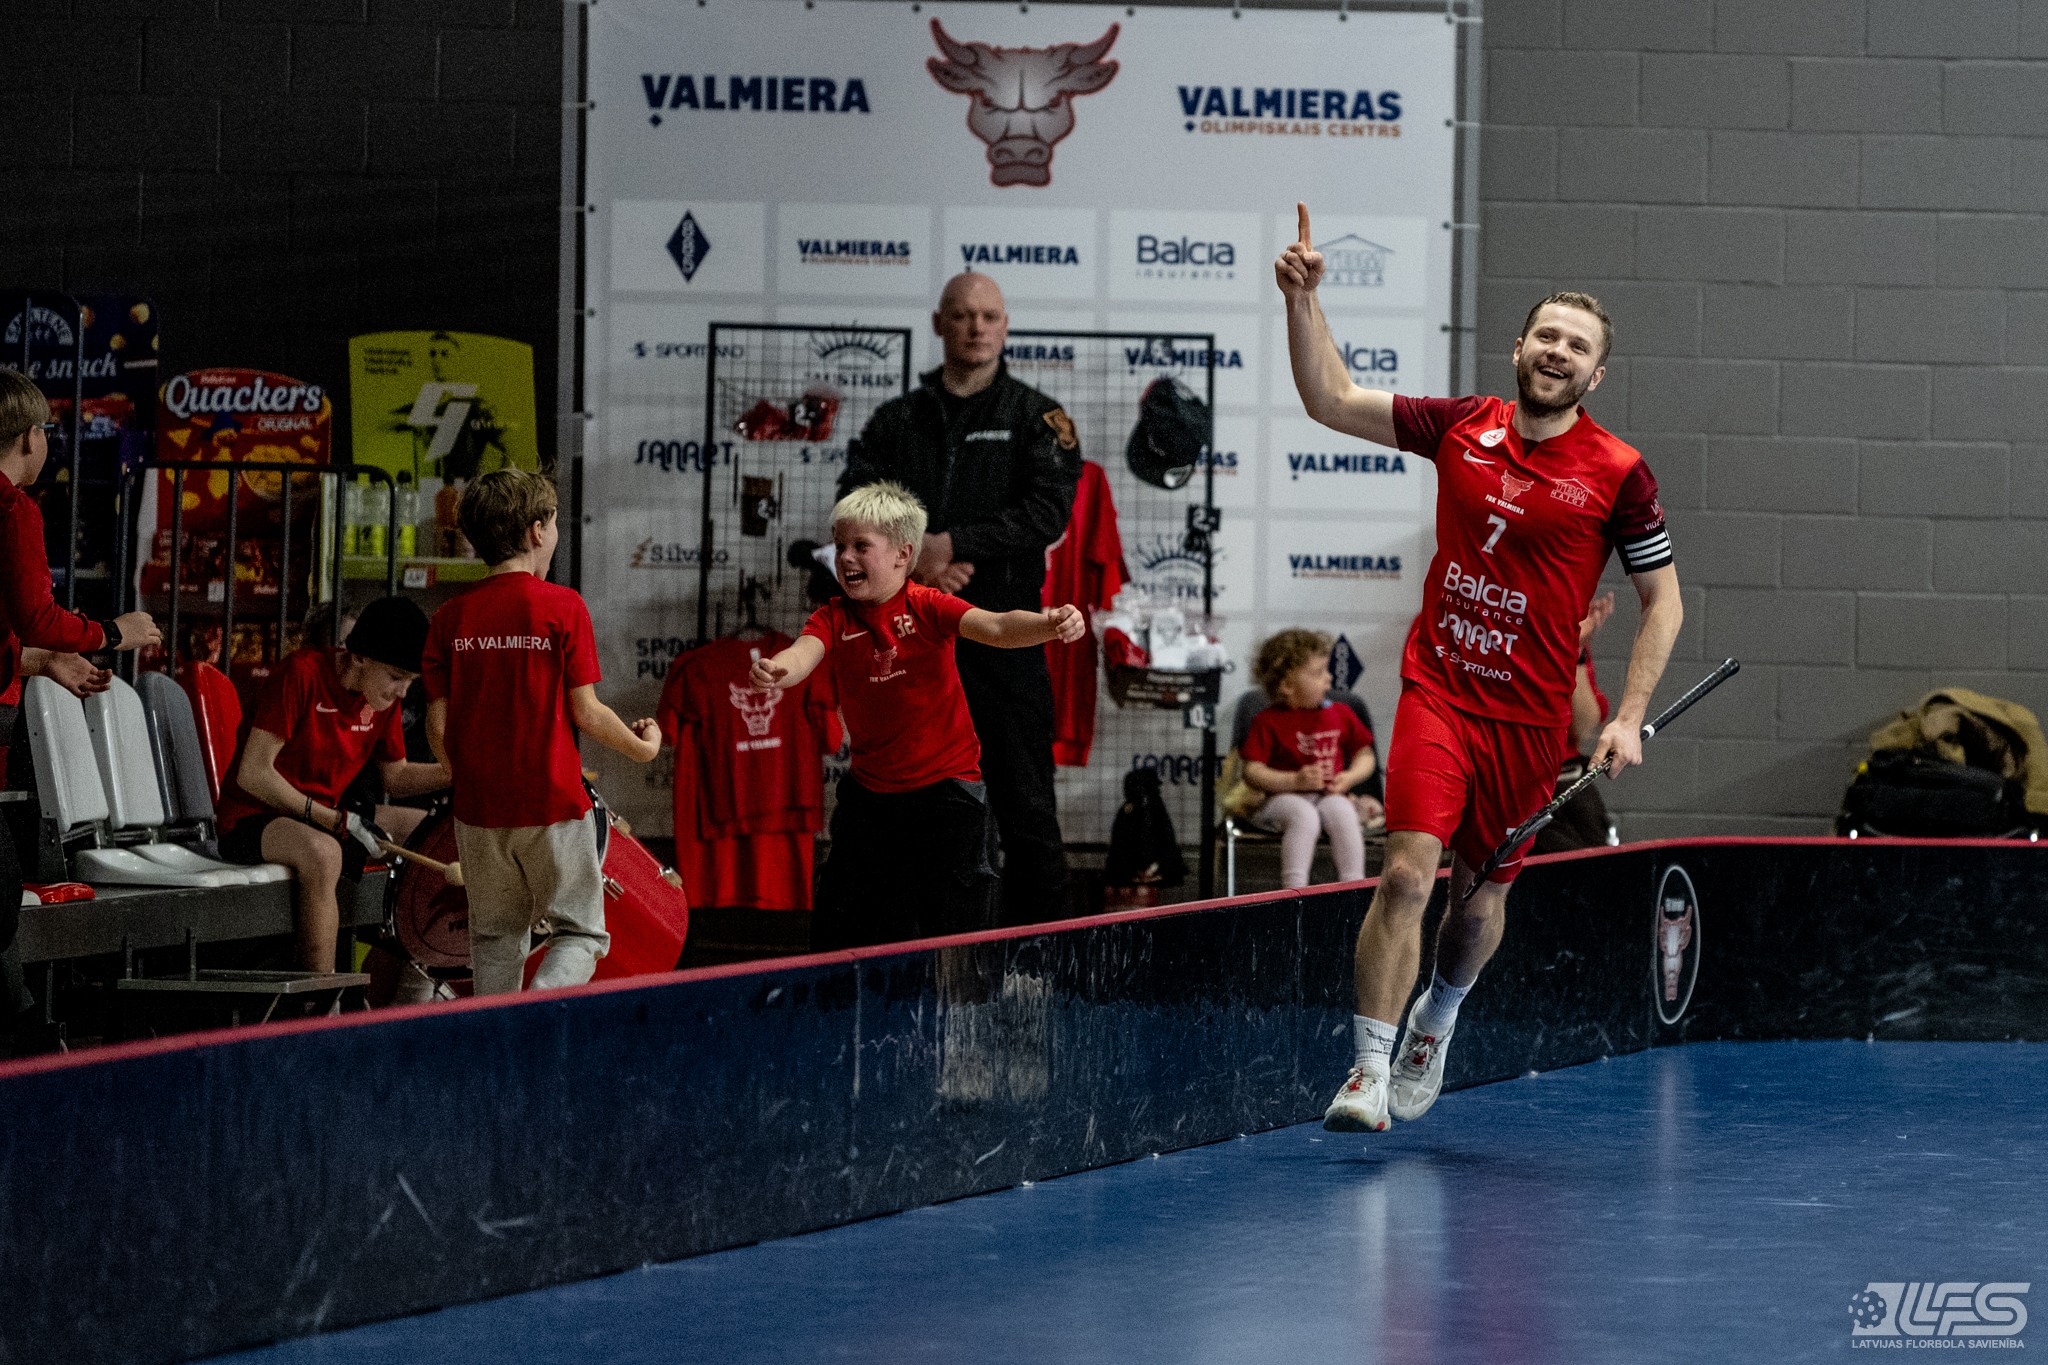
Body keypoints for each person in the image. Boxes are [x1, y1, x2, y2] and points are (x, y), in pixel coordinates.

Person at [1276, 203, 1684, 1133]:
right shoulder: (1463, 425)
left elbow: (1663, 601)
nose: (1557, 351)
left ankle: (1440, 1014)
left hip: (1529, 724)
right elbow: (1330, 399)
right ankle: (1368, 1070)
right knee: (1406, 875)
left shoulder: (1619, 471)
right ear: (1518, 346)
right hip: (1440, 692)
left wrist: (1626, 715)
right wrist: (1303, 301)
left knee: (1477, 901)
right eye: (1547, 335)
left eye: (1577, 345)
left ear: (1595, 374)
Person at [748, 481, 1086, 949]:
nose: (845, 557)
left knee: (955, 942)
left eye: (861, 546)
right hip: (871, 799)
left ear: (903, 555)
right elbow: (803, 653)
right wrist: (778, 671)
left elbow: (997, 626)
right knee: (844, 930)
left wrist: (1049, 624)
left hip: (947, 797)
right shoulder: (833, 617)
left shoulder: (926, 605)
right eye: (840, 546)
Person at [839, 272, 1080, 927]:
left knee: (1025, 806)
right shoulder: (896, 420)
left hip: (1005, 641)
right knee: (907, 810)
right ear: (939, 323)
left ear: (1005, 325)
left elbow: (1048, 511)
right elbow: (858, 508)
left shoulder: (1037, 417)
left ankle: (1044, 960)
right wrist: (917, 563)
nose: (977, 327)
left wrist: (955, 544)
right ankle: (910, 960)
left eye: (989, 315)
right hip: (913, 643)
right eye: (963, 315)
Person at [421, 469, 660, 995]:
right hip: (551, 801)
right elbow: (587, 713)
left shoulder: (448, 618)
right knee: (581, 933)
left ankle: (500, 1038)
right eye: (552, 524)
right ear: (536, 531)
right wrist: (642, 749)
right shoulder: (562, 606)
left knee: (494, 937)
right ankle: (536, 1015)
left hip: (479, 809)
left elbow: (438, 728)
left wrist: (472, 778)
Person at [0, 367, 161, 953]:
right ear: (29, 438)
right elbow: (37, 617)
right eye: (46, 432)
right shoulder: (15, 510)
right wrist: (114, 632)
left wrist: (44, 662)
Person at [216, 597, 451, 974]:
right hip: (253, 817)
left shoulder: (381, 699)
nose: (403, 692)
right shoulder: (301, 673)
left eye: (410, 681)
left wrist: (459, 772)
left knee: (431, 833)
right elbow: (253, 774)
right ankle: (324, 1000)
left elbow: (396, 777)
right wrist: (328, 817)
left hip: (324, 816)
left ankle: (409, 978)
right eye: (396, 677)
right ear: (358, 658)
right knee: (325, 853)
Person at [1241, 630, 1378, 890]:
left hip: (1329, 794)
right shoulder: (1267, 721)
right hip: (1280, 799)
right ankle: (1295, 894)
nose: (1329, 678)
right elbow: (1252, 771)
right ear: (1287, 686)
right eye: (1318, 673)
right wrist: (1293, 780)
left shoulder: (1340, 713)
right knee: (1303, 815)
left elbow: (1365, 755)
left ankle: (1355, 891)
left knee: (1343, 811)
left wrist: (1349, 777)